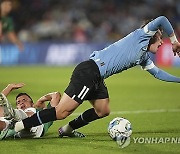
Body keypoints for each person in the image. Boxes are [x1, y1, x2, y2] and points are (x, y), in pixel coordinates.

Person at [12, 16, 180, 137]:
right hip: (89, 72)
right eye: (160, 40)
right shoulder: (141, 35)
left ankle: (68, 130)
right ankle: (19, 125)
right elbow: (162, 19)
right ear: (154, 36)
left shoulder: (143, 57)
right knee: (61, 112)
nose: (161, 44)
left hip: (97, 78)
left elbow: (158, 73)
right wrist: (173, 40)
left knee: (103, 110)